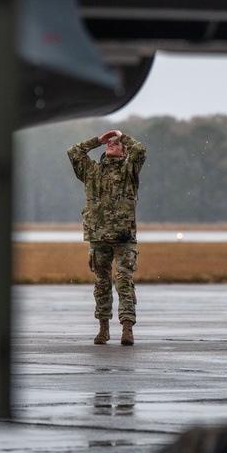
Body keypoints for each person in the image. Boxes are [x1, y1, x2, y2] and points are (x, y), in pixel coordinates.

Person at [67, 129, 147, 345]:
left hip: (123, 238)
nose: (111, 144)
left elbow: (140, 151)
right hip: (98, 236)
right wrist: (97, 140)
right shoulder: (92, 171)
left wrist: (123, 137)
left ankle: (127, 328)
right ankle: (103, 329)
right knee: (102, 284)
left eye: (116, 144)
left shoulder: (129, 170)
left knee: (123, 280)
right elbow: (73, 152)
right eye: (109, 143)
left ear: (123, 153)